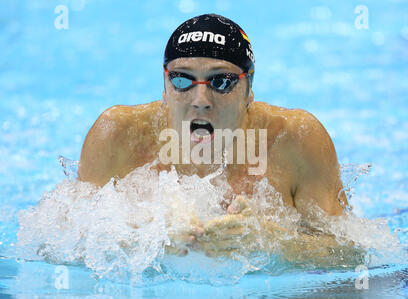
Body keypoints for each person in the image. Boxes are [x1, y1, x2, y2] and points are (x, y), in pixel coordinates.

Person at [78, 14, 360, 266]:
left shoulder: (296, 139)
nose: (201, 101)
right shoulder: (117, 135)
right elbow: (60, 242)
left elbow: (352, 256)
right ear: (165, 86)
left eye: (221, 81)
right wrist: (150, 235)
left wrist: (271, 240)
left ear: (249, 89)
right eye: (182, 80)